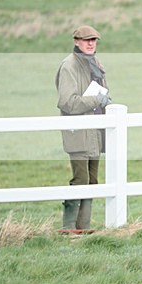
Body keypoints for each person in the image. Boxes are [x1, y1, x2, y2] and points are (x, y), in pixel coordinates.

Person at [55, 25, 111, 233]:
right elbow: (67, 102)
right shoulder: (68, 66)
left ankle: (83, 227)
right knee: (81, 179)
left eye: (94, 40)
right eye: (86, 40)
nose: (90, 43)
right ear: (76, 41)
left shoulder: (95, 63)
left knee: (93, 180)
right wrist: (96, 99)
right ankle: (69, 227)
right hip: (77, 133)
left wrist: (105, 99)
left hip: (95, 131)